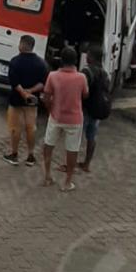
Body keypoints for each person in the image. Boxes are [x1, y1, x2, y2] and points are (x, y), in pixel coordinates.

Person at [41, 45, 88, 192]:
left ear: (61, 59)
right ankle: (67, 182)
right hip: (74, 119)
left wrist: (50, 110)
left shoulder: (52, 76)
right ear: (76, 60)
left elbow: (46, 97)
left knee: (48, 145)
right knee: (72, 150)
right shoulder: (81, 77)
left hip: (56, 116)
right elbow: (85, 94)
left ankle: (47, 176)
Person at [3, 35, 49, 166]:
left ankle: (14, 154)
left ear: (22, 45)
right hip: (32, 102)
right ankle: (30, 156)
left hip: (16, 100)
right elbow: (43, 83)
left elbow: (14, 82)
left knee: (15, 128)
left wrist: (23, 93)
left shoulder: (15, 61)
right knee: (31, 128)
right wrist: (30, 92)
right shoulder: (41, 63)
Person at [80, 44, 110, 173]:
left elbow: (81, 89)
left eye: (88, 54)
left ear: (92, 57)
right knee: (91, 138)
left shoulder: (87, 71)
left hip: (86, 109)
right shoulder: (105, 73)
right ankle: (86, 164)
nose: (86, 56)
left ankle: (69, 164)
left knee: (76, 137)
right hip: (97, 110)